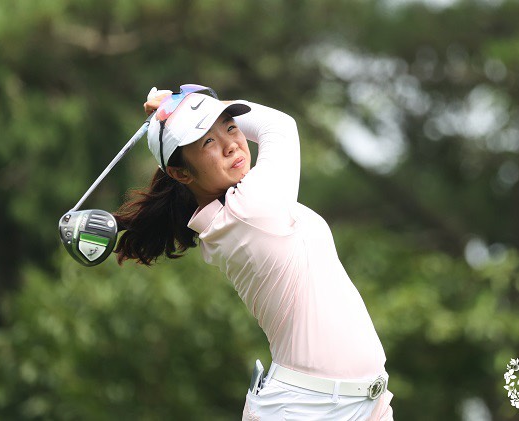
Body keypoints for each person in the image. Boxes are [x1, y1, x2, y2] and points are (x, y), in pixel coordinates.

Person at [114, 84, 394, 420]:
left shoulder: (233, 209)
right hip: (308, 409)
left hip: (365, 402)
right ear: (180, 173)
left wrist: (185, 106)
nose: (231, 144)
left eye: (231, 127)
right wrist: (190, 102)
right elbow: (279, 126)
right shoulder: (250, 208)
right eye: (208, 141)